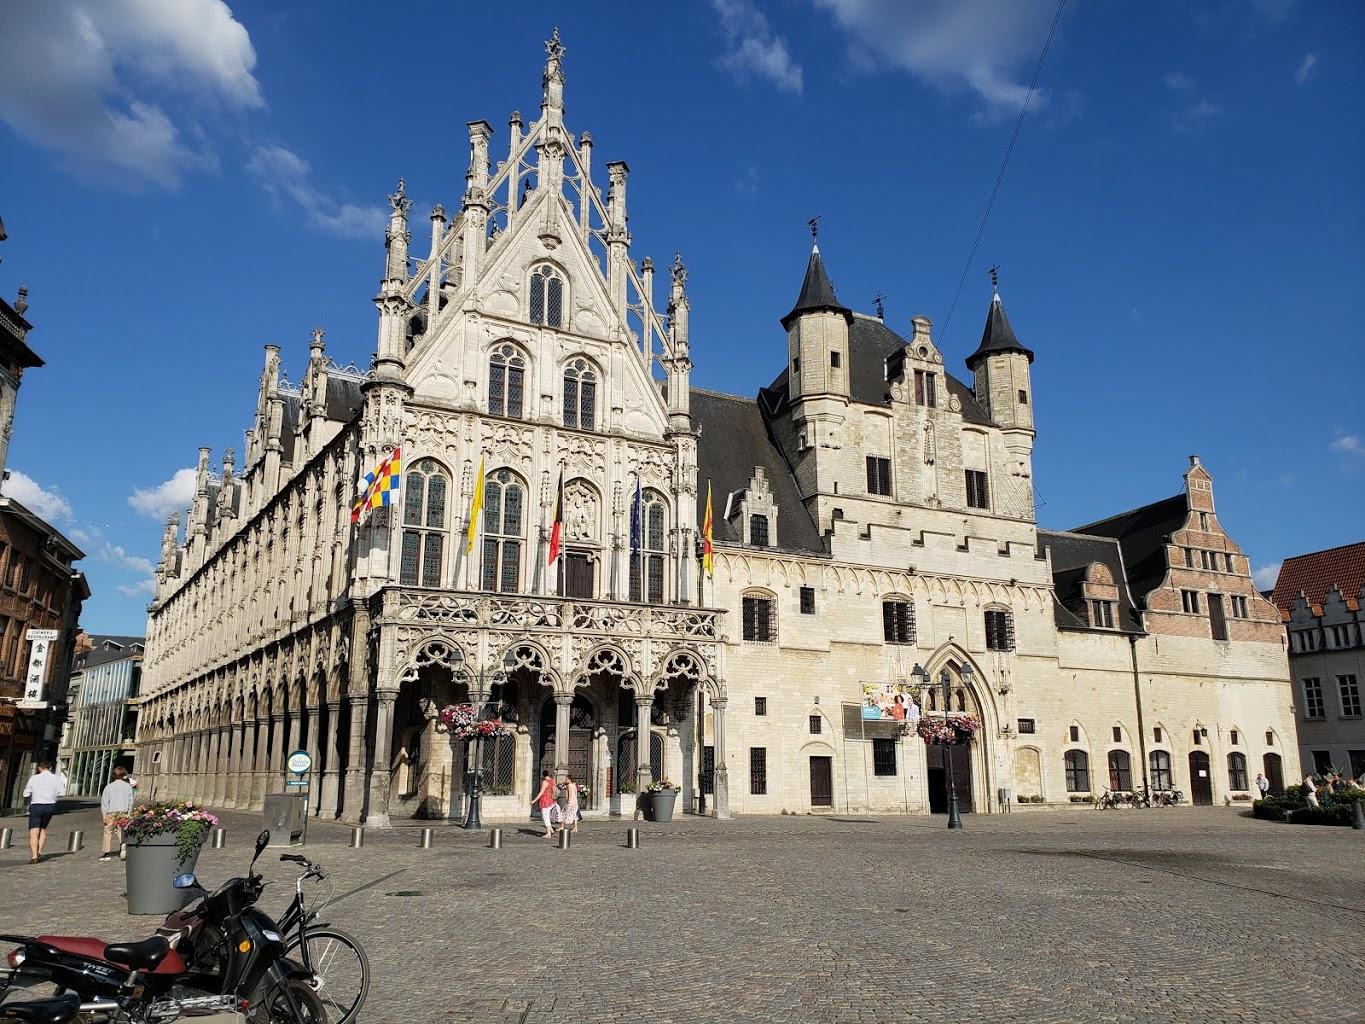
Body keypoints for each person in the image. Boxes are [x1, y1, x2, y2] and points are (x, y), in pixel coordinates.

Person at [22, 760, 65, 864]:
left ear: (39, 768)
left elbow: (26, 794)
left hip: (36, 805)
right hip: (50, 806)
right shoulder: (57, 778)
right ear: (50, 768)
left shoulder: (34, 778)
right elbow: (62, 793)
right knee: (43, 829)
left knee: (34, 830)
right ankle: (39, 851)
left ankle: (34, 856)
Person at [99, 766, 135, 862]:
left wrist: (104, 814)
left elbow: (105, 802)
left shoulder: (109, 787)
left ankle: (106, 853)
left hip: (111, 812)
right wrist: (129, 813)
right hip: (123, 812)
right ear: (124, 775)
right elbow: (130, 801)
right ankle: (123, 848)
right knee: (121, 832)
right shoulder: (128, 787)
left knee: (107, 832)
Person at [535, 769, 558, 838]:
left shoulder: (545, 782)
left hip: (545, 801)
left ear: (543, 775)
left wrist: (534, 800)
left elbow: (541, 792)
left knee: (545, 817)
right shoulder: (552, 780)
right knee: (546, 816)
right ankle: (551, 830)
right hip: (551, 800)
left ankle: (548, 833)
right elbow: (554, 790)